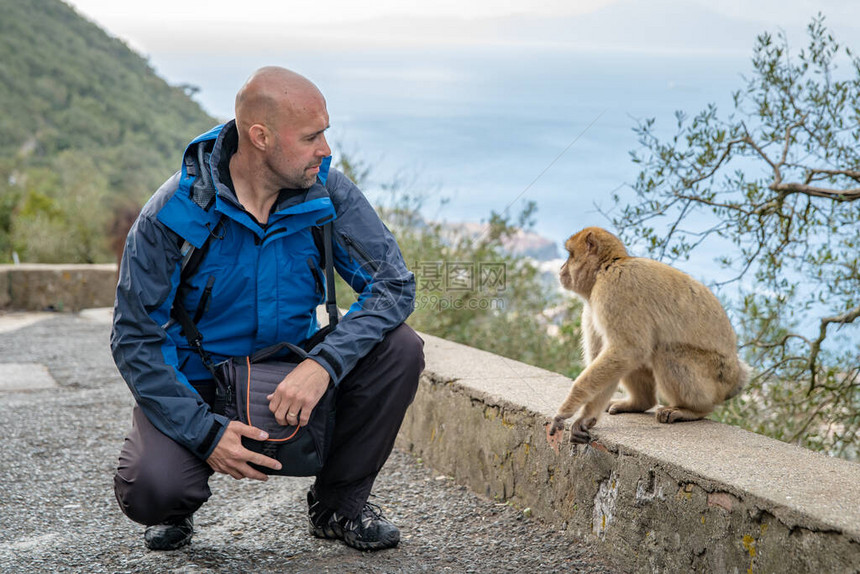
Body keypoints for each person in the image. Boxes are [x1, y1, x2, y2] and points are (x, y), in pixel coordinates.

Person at [111, 66, 424, 552]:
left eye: (326, 133)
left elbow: (393, 286)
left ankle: (338, 506)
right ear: (259, 137)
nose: (326, 149)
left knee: (400, 348)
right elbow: (135, 336)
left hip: (291, 375)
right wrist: (204, 433)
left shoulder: (328, 191)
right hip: (202, 383)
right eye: (311, 136)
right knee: (153, 489)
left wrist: (324, 364)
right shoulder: (174, 212)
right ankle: (178, 505)